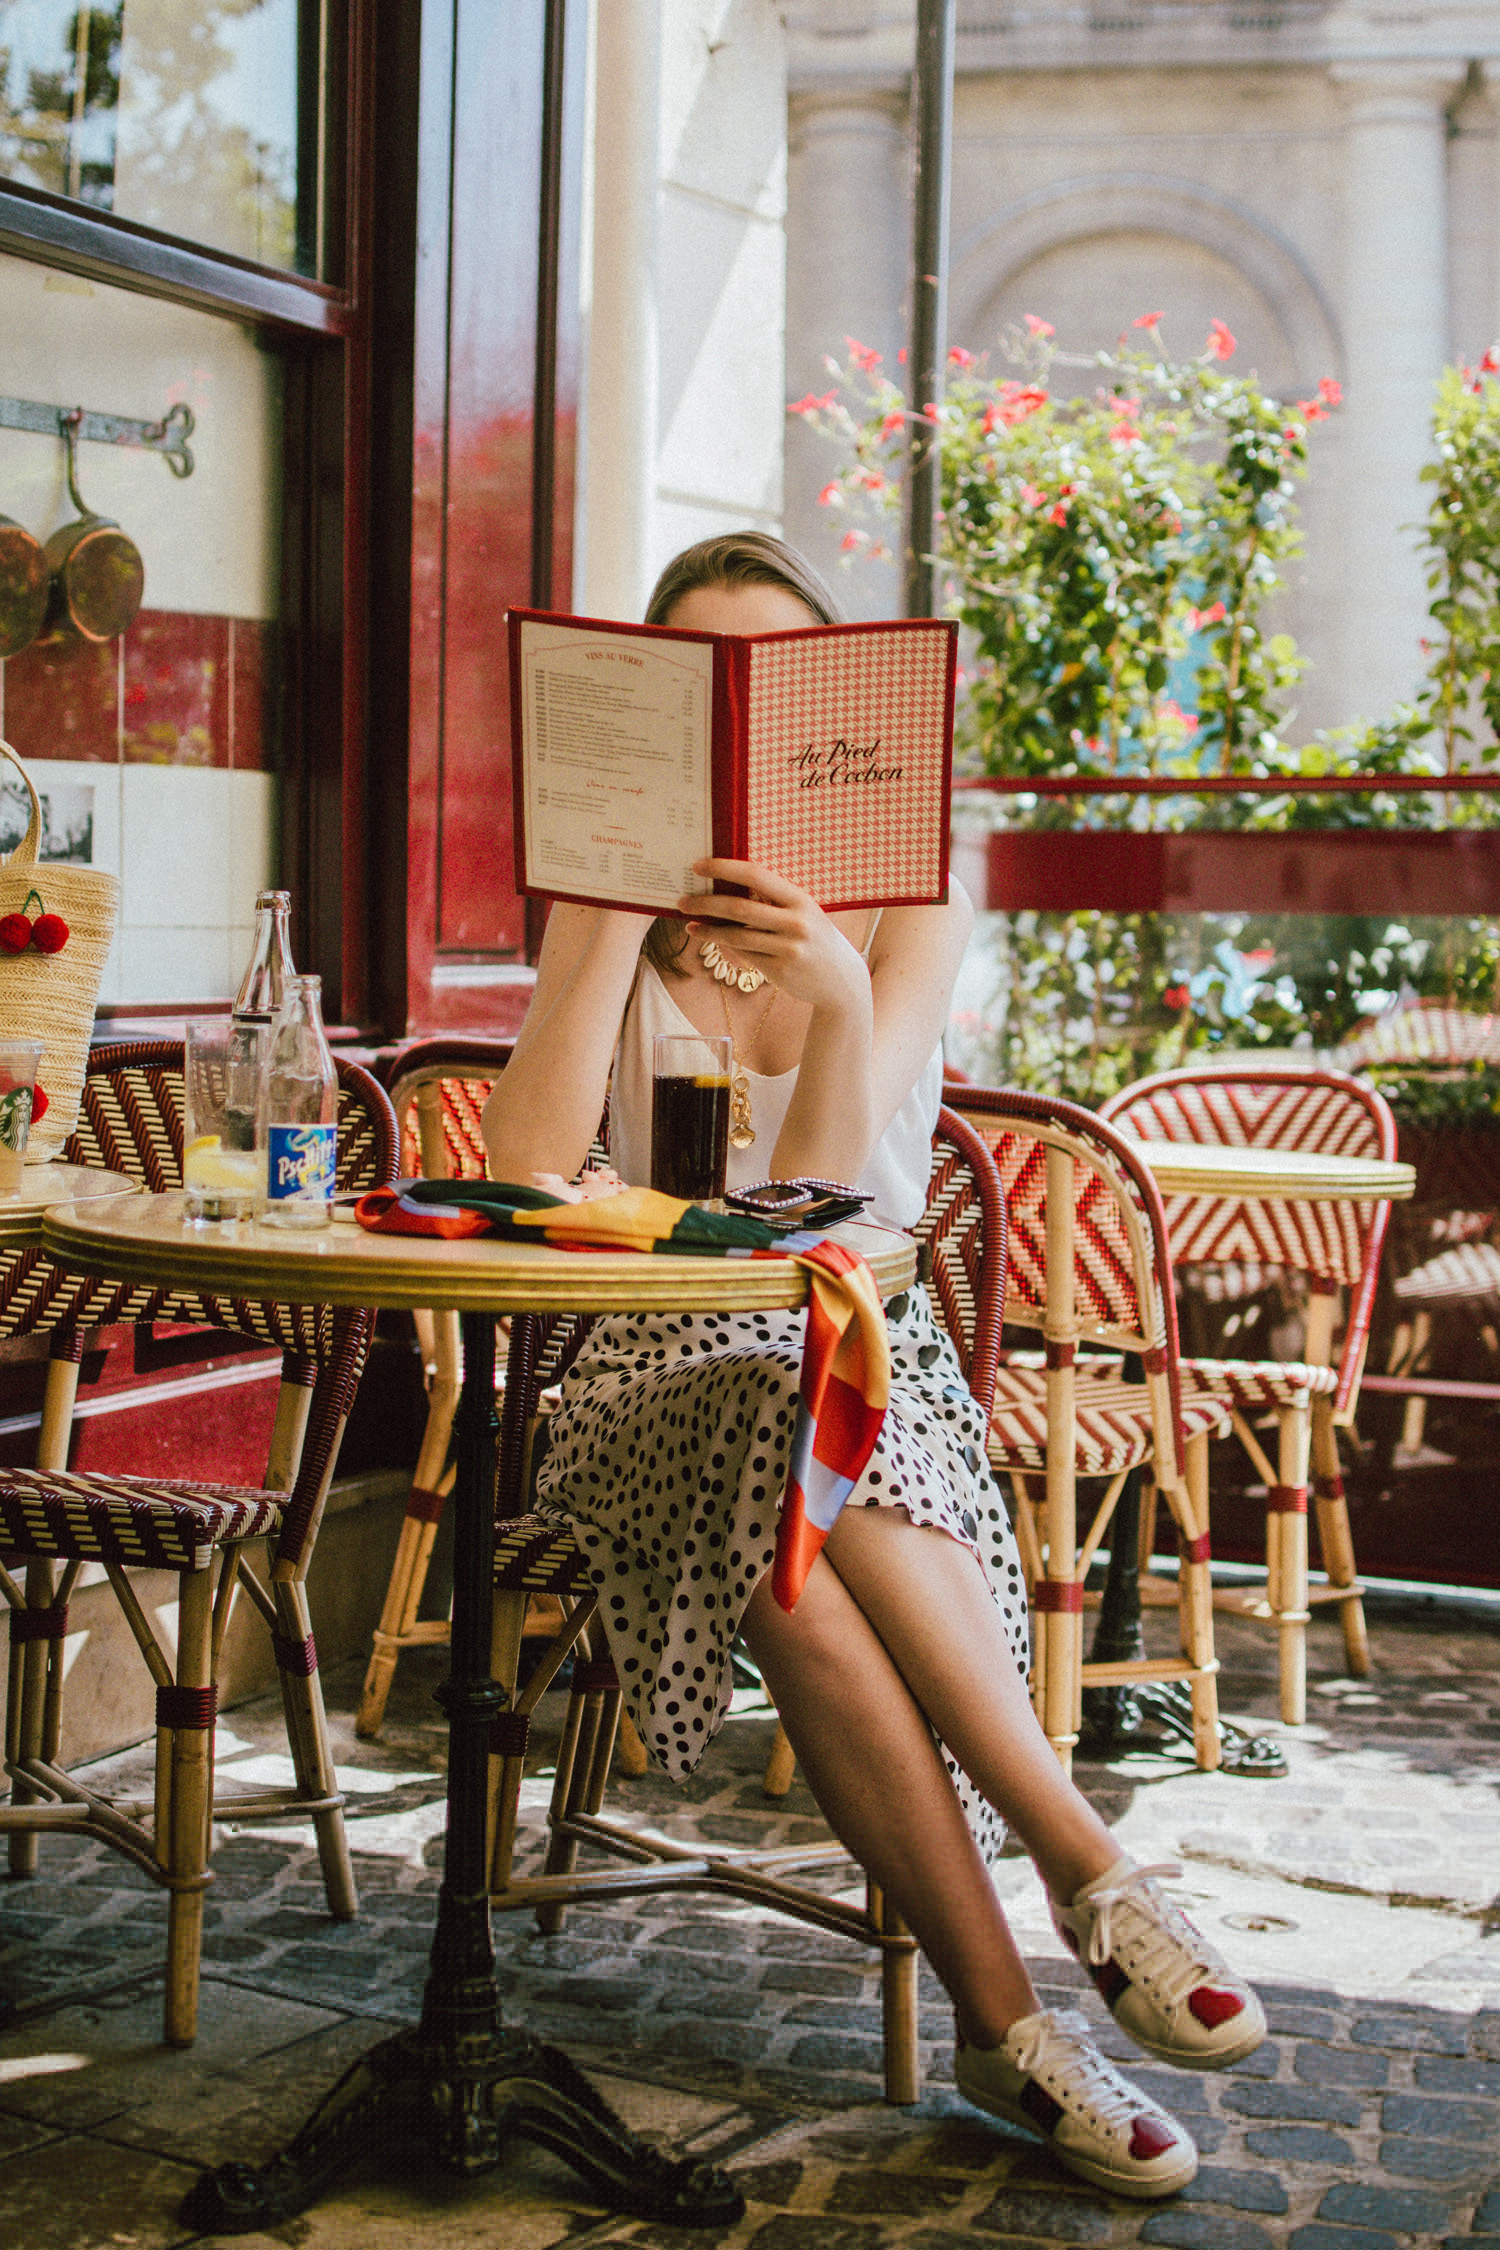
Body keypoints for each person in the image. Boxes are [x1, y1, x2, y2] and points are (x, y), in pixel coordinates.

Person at [483, 531, 1265, 2201]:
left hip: (858, 1364)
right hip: (641, 1373)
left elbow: (828, 1221)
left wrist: (836, 992)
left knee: (794, 1529)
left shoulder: (912, 905)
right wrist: (607, 920)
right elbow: (530, 1161)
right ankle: (1085, 1865)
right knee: (775, 1447)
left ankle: (1006, 2027)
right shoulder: (608, 907)